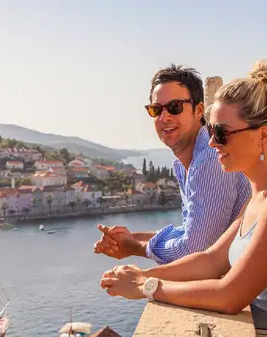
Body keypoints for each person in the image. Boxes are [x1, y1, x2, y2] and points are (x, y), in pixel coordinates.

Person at [99, 61, 267, 336]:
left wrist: (145, 287)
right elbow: (212, 259)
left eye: (221, 133)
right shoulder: (261, 192)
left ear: (263, 135)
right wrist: (143, 275)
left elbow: (230, 295)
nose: (213, 143)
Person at [94, 65, 251, 264]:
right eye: (156, 109)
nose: (164, 117)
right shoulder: (184, 163)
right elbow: (190, 232)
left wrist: (132, 247)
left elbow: (194, 250)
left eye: (175, 107)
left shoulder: (210, 159)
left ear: (199, 110)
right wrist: (130, 237)